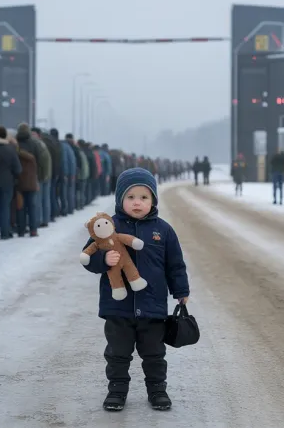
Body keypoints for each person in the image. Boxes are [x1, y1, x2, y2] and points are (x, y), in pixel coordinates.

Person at [81, 167, 190, 412]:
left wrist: (181, 290)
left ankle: (157, 390)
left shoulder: (163, 230)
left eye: (143, 197)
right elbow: (87, 258)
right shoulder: (106, 226)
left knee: (154, 354)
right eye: (130, 197)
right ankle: (117, 391)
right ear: (121, 199)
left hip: (152, 306)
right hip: (117, 306)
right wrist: (102, 261)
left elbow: (175, 265)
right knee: (118, 353)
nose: (137, 203)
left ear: (153, 200)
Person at [0, 127, 22, 240]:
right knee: (5, 207)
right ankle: (4, 232)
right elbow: (18, 169)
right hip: (7, 182)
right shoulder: (11, 149)